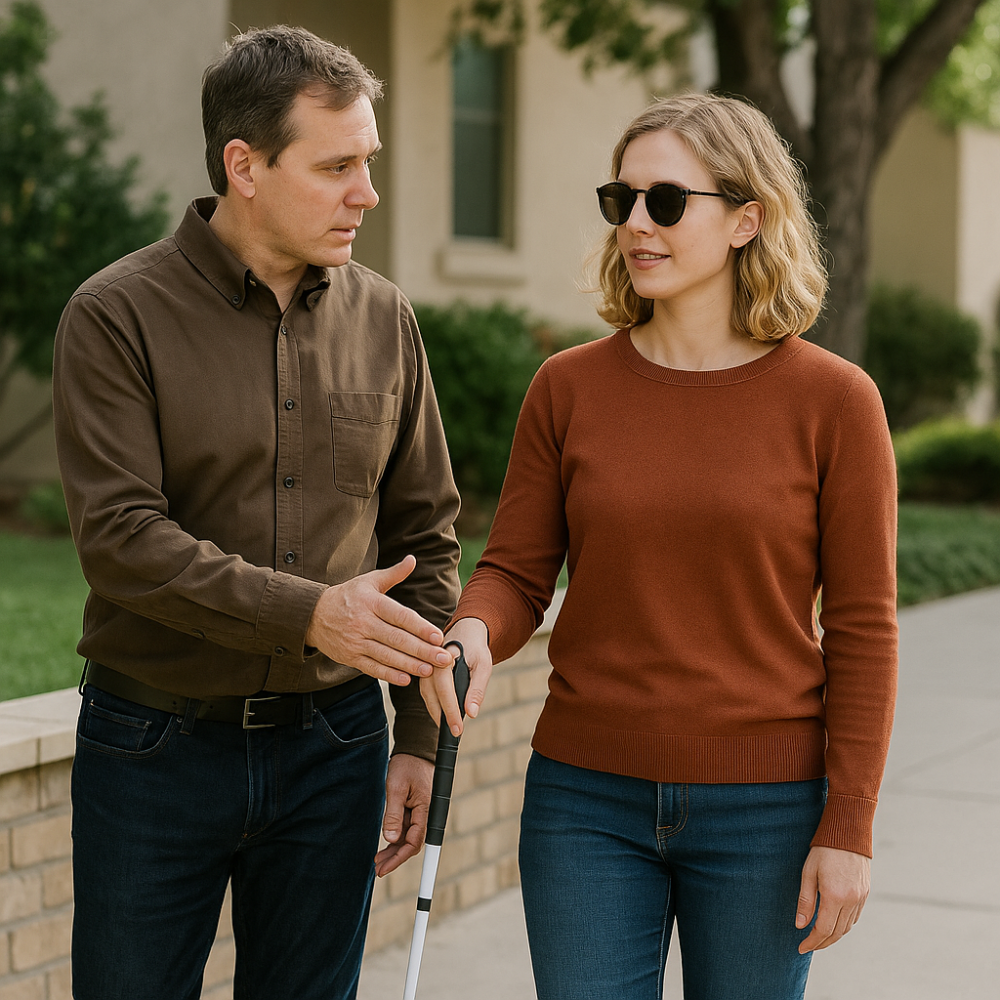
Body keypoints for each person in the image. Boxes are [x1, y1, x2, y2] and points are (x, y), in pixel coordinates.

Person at [423, 92, 898, 1000]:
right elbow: (517, 571)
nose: (636, 225)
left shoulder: (836, 403)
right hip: (584, 803)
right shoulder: (567, 389)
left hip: (767, 811)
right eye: (622, 200)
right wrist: (476, 628)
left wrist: (849, 825)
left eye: (667, 202)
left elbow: (866, 628)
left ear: (746, 220)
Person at [52, 25, 460, 1000]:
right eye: (337, 166)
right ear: (245, 164)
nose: (366, 190)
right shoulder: (115, 316)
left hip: (336, 751)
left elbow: (426, 539)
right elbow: (120, 541)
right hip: (153, 751)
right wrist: (311, 612)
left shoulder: (384, 319)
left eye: (367, 161)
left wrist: (416, 737)